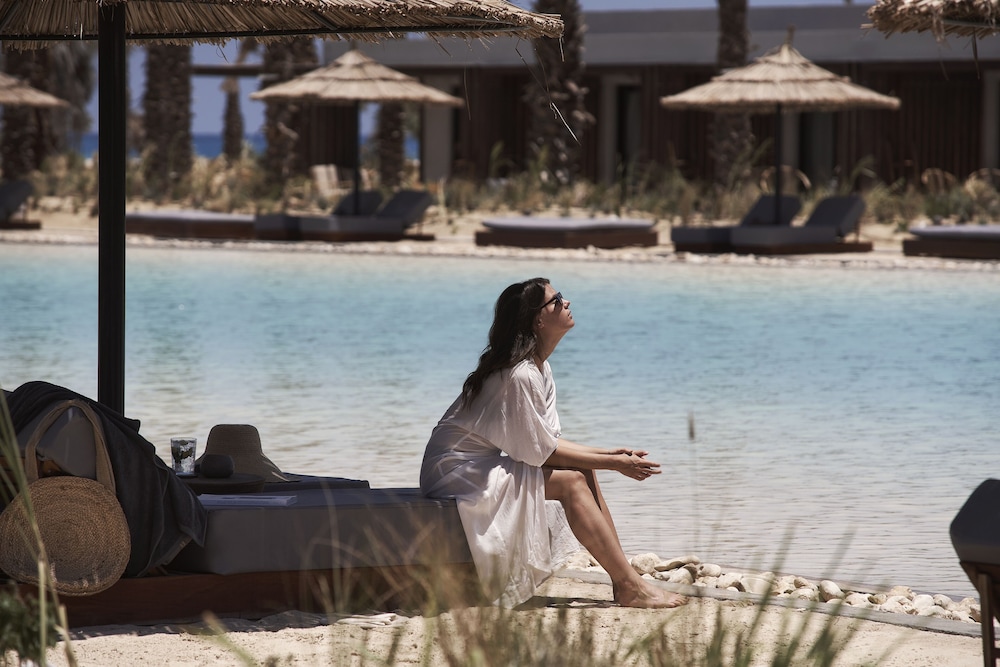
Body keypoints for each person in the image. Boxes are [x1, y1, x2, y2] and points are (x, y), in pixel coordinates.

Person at [420, 278, 687, 609]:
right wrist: (616, 464)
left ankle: (627, 580)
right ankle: (630, 585)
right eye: (556, 300)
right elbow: (542, 453)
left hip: (477, 465)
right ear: (538, 320)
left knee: (583, 471)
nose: (566, 302)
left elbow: (547, 442)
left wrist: (610, 454)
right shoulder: (519, 375)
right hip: (454, 472)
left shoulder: (538, 369)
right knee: (573, 482)